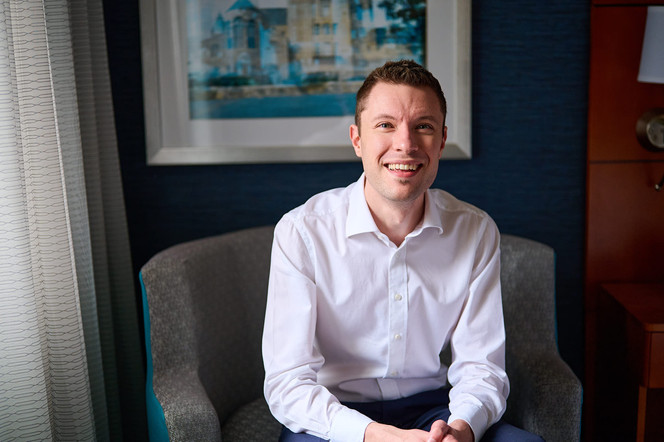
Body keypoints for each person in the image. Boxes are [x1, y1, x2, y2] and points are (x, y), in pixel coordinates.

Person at [262, 60, 544, 442]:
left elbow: (482, 367)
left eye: (423, 126)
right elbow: (287, 383)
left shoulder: (475, 231)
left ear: (441, 140)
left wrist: (460, 430)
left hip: (435, 411)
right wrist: (375, 435)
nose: (406, 144)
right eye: (385, 125)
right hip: (335, 417)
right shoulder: (302, 232)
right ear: (357, 139)